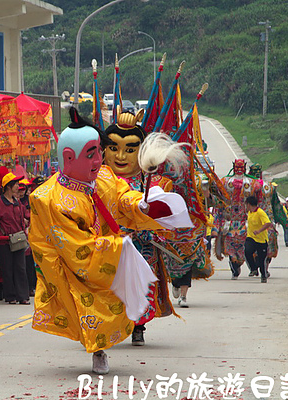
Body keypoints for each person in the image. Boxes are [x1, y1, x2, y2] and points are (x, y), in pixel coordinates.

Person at [28, 108, 191, 374]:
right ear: (69, 158)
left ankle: (117, 337)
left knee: (121, 297)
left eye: (99, 152)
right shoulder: (49, 199)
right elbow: (74, 246)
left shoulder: (103, 177)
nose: (99, 159)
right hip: (72, 265)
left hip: (106, 253)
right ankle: (97, 350)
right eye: (92, 153)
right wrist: (116, 247)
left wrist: (143, 204)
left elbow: (122, 195)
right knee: (86, 304)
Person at [100, 109, 175, 343]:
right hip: (106, 245)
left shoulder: (156, 184)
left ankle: (138, 327)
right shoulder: (97, 181)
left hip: (141, 246)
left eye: (130, 149)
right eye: (113, 148)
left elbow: (165, 218)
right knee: (104, 287)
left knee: (139, 286)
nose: (121, 155)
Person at [213, 159, 261, 279]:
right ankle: (235, 265)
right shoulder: (251, 182)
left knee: (241, 248)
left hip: (242, 222)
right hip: (232, 222)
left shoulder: (228, 181)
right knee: (231, 247)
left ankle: (237, 264)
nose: (239, 169)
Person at [0, 172, 30, 305]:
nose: (18, 187)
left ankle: (23, 296)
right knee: (7, 268)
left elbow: (24, 219)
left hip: (18, 239)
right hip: (4, 239)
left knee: (20, 267)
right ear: (8, 187)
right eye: (16, 184)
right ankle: (10, 296)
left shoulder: (17, 201)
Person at [244, 196, 273, 283]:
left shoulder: (260, 212)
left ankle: (263, 275)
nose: (246, 207)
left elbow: (268, 223)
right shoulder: (250, 213)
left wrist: (259, 230)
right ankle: (253, 268)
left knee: (262, 259)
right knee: (247, 251)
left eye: (246, 205)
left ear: (249, 204)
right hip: (251, 237)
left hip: (261, 239)